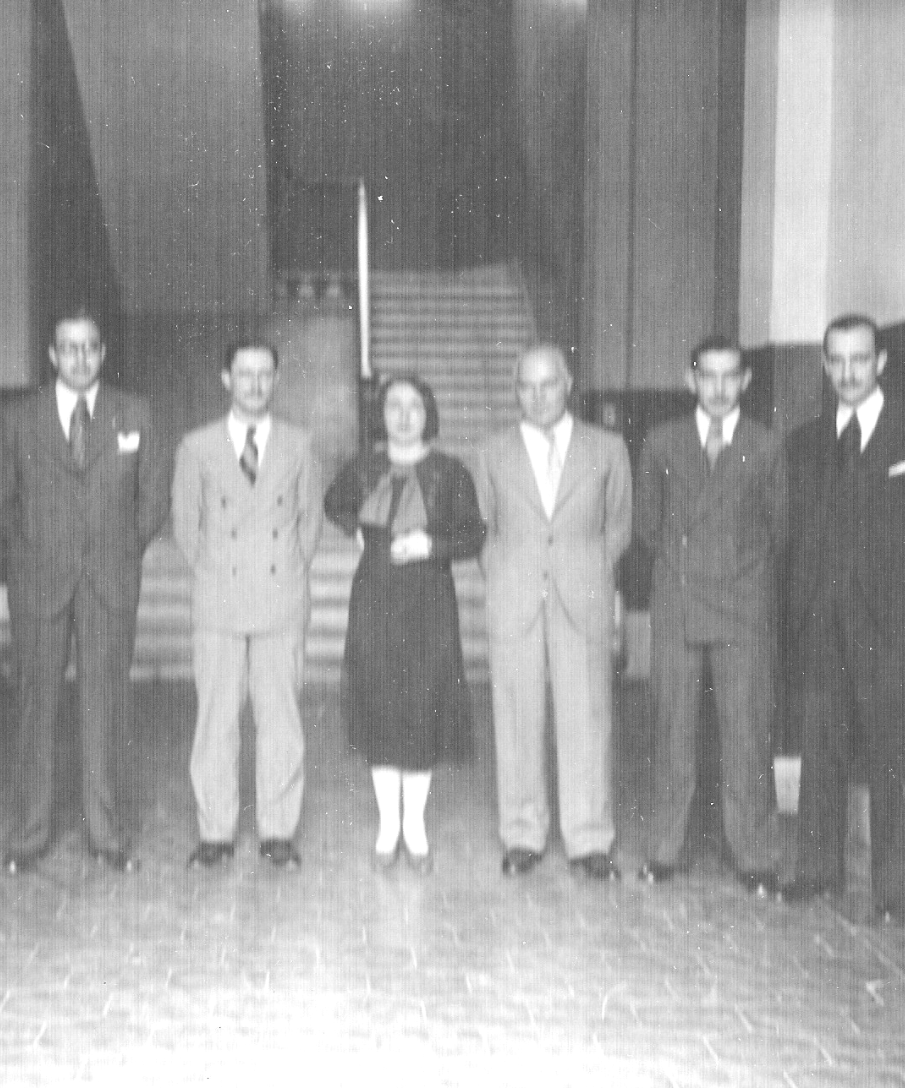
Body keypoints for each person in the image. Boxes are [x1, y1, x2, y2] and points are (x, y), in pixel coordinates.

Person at [780, 314, 905, 925]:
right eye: (836, 360)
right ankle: (819, 871)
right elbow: (793, 538)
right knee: (820, 751)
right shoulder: (803, 443)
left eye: (860, 359)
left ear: (880, 363)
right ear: (824, 366)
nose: (848, 372)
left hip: (891, 633)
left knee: (891, 758)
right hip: (823, 627)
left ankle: (890, 891)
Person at [0, 304, 171, 874]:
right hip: (39, 583)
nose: (79, 357)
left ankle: (107, 833)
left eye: (89, 346)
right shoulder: (18, 418)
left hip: (108, 583)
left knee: (106, 707)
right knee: (34, 708)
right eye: (68, 347)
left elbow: (153, 500)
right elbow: (4, 503)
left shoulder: (135, 413)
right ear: (51, 355)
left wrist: (122, 553)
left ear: (103, 352)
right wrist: (28, 563)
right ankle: (29, 834)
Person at [633, 337, 785, 897]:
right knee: (673, 728)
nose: (719, 388)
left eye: (730, 377)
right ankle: (664, 849)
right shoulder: (661, 442)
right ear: (689, 378)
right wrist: (686, 565)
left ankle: (755, 855)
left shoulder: (767, 446)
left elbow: (779, 527)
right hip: (678, 601)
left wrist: (738, 571)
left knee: (747, 730)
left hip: (744, 606)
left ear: (746, 380)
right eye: (708, 376)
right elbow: (647, 526)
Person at [475, 343, 632, 881]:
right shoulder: (492, 452)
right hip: (515, 598)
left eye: (549, 384)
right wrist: (505, 575)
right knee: (517, 716)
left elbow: (618, 527)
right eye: (526, 385)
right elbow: (483, 530)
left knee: (588, 716)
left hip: (581, 597)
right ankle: (523, 833)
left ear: (568, 383)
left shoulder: (607, 448)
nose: (538, 396)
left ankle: (589, 837)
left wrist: (592, 573)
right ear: (515, 389)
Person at [172, 340, 324, 870]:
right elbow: (186, 528)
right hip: (219, 602)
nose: (255, 384)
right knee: (216, 719)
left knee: (280, 718)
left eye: (265, 375)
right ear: (225, 378)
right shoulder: (196, 447)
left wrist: (284, 570)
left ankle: (277, 830)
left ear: (277, 380)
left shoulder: (300, 445)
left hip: (280, 599)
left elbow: (311, 523)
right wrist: (217, 574)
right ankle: (215, 830)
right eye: (244, 374)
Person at [324, 375, 484, 874]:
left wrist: (431, 546)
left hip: (428, 603)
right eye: (394, 404)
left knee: (421, 706)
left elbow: (473, 533)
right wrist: (358, 532)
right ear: (382, 414)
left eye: (414, 405)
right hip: (374, 596)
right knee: (378, 703)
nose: (404, 414)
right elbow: (335, 504)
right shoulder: (364, 466)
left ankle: (413, 826)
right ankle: (386, 826)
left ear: (427, 414)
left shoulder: (450, 471)